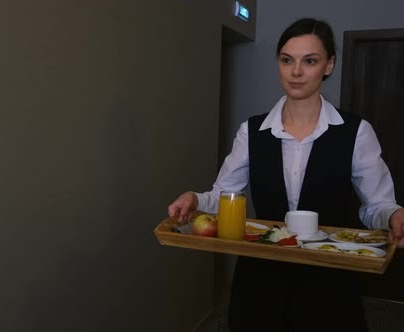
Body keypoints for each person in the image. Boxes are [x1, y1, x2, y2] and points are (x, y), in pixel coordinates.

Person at [167, 17, 404, 332]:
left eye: (310, 61)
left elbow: (376, 205)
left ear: (329, 65)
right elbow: (225, 195)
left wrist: (393, 215)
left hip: (328, 277)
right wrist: (194, 198)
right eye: (287, 60)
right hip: (261, 278)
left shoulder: (356, 132)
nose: (296, 71)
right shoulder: (252, 131)